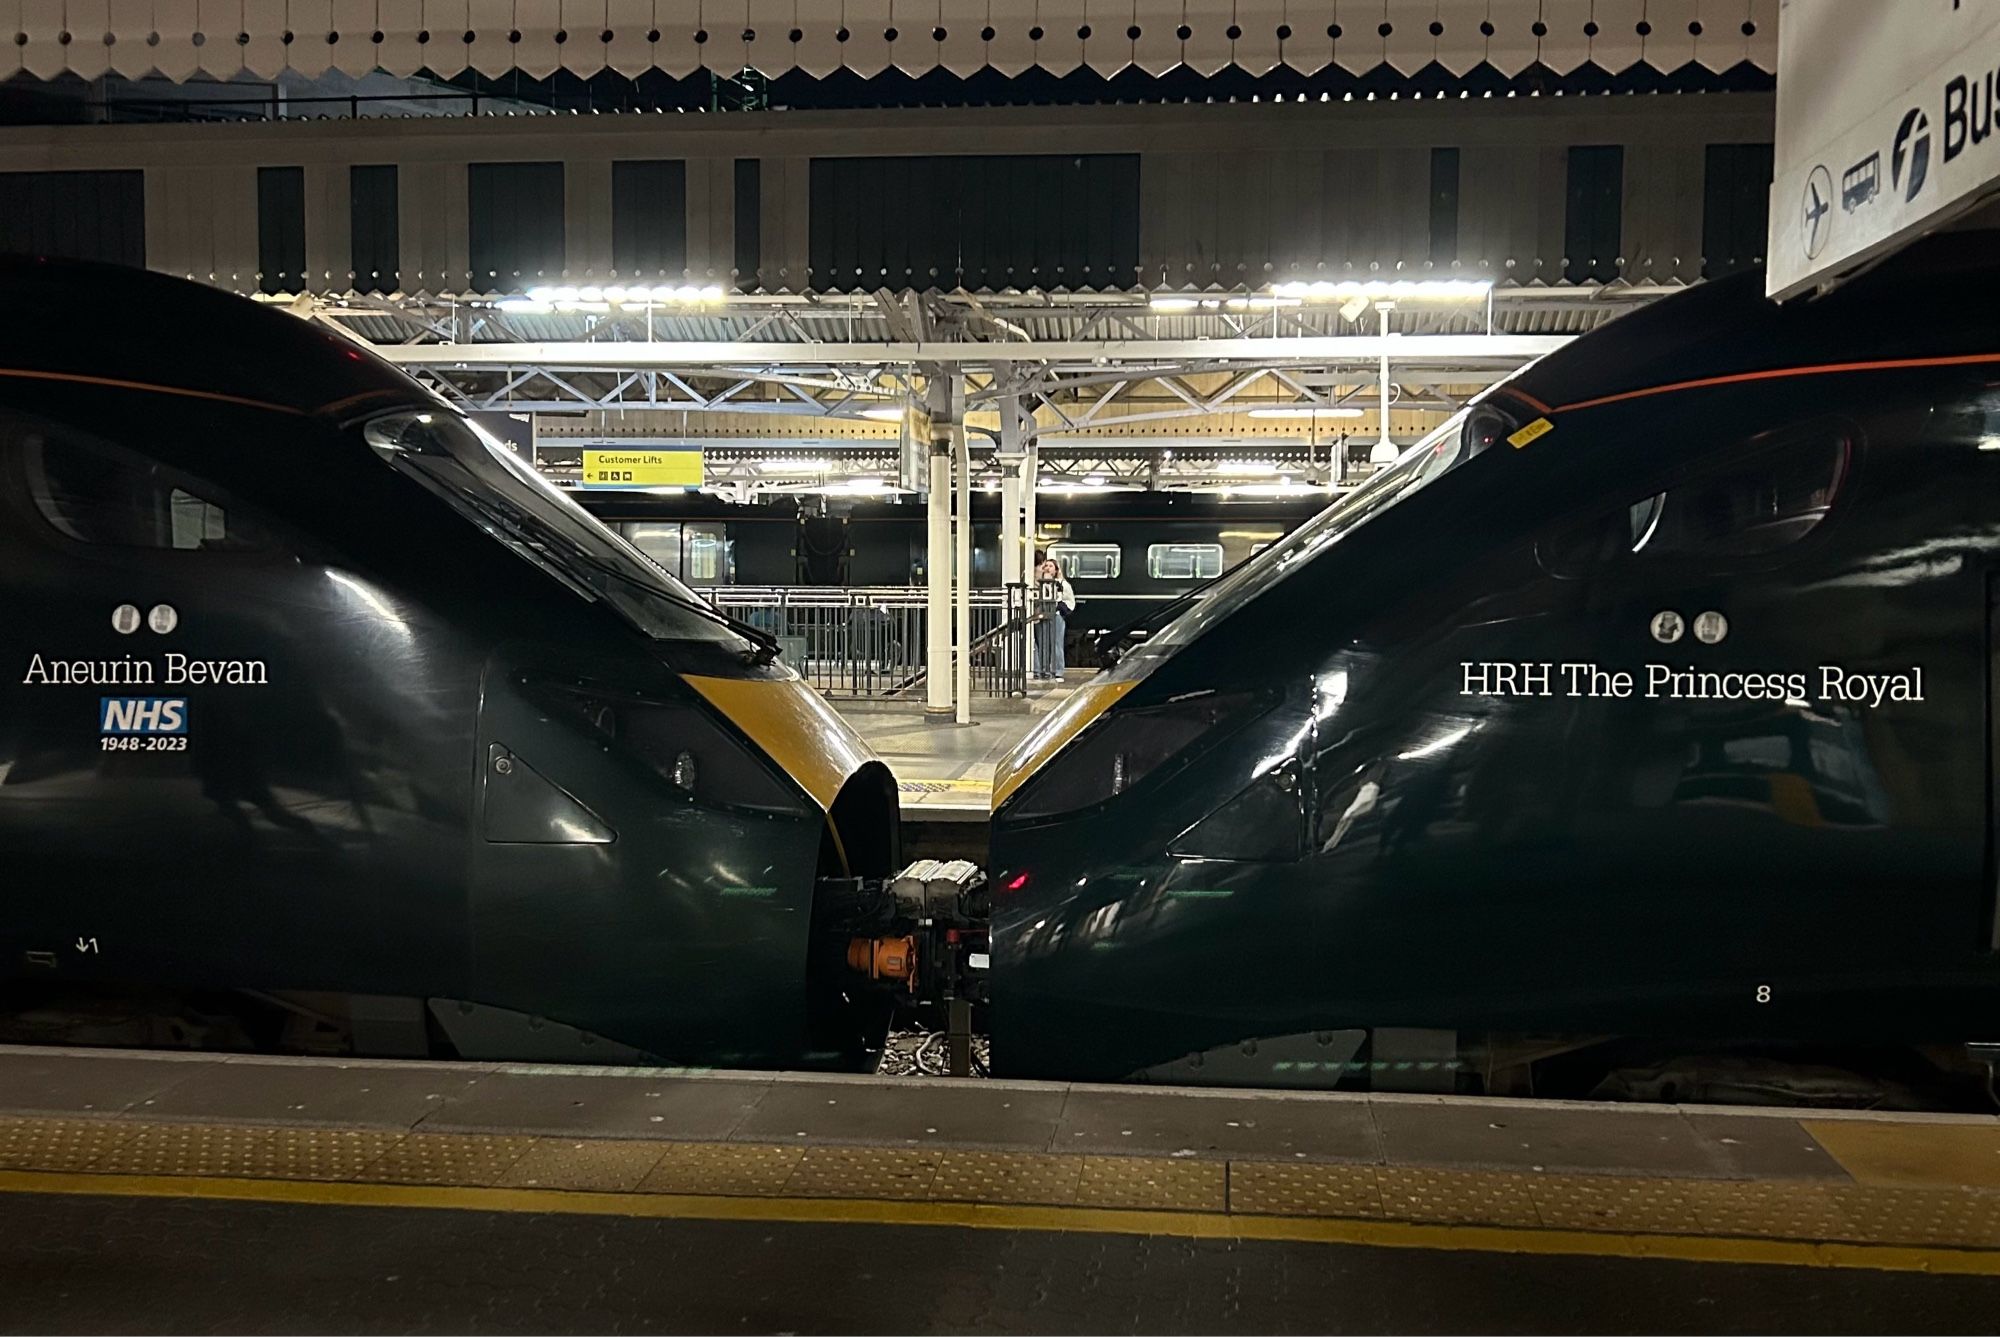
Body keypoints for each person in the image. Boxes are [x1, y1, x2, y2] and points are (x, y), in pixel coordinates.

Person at [1032, 555, 1075, 682]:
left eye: (1051, 566)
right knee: (1042, 643)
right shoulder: (1037, 584)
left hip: (1056, 616)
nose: (1048, 568)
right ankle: (1043, 670)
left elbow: (1070, 602)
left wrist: (1061, 609)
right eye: (1046, 566)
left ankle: (1058, 671)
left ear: (1056, 570)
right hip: (1041, 616)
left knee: (1057, 644)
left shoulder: (1063, 584)